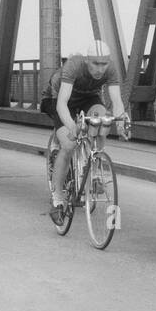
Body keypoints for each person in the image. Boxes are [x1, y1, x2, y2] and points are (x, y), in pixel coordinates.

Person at [40, 41, 126, 225]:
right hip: (59, 99)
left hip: (88, 99)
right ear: (87, 61)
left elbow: (117, 101)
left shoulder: (110, 70)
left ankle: (93, 168)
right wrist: (72, 127)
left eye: (104, 64)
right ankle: (57, 198)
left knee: (103, 120)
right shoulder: (74, 66)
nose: (100, 69)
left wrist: (121, 121)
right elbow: (62, 102)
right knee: (69, 144)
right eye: (95, 63)